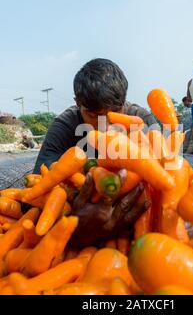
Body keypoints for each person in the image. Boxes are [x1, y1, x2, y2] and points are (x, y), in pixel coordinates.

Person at [34, 58, 156, 247]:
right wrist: (73, 217)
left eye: (114, 113)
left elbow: (172, 176)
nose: (105, 128)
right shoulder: (65, 126)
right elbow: (38, 185)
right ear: (78, 103)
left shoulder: (140, 119)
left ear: (124, 101)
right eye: (93, 116)